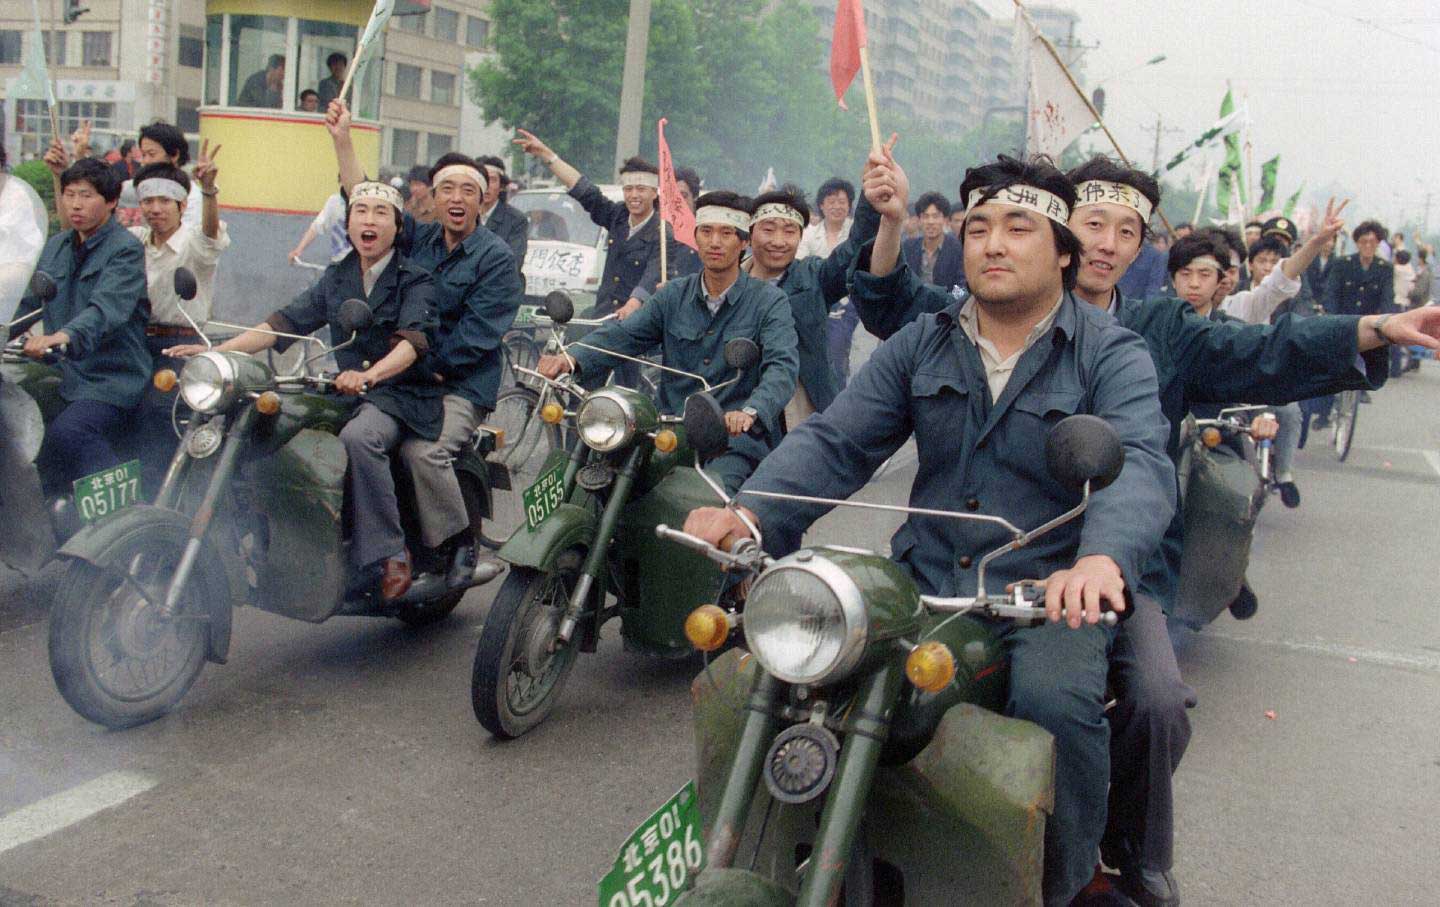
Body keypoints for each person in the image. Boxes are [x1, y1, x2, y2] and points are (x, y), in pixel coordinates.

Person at [848, 149, 1440, 907]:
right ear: (1065, 232)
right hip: (972, 560)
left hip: (1116, 564)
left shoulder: (1160, 329)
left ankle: (1126, 847)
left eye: (1126, 231)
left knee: (1156, 695)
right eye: (1093, 222)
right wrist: (890, 222)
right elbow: (886, 315)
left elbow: (1265, 351)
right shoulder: (975, 311)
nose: (1106, 242)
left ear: (1137, 247)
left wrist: (1375, 328)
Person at [686, 154, 1178, 907]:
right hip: (919, 579)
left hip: (1041, 591)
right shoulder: (925, 340)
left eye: (1019, 227)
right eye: (978, 227)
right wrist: (748, 511)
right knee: (789, 663)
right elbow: (837, 439)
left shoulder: (1112, 353)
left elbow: (1139, 460)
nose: (992, 243)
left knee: (1055, 700)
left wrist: (1100, 559)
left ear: (1063, 253)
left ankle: (1067, 876)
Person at [167, 181, 441, 601]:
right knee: (264, 419)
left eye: (380, 213)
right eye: (360, 211)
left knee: (360, 438)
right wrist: (215, 351)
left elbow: (411, 345)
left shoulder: (415, 279)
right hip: (345, 391)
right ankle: (261, 525)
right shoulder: (339, 276)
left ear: (398, 226)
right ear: (348, 223)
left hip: (400, 394)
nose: (369, 220)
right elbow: (282, 324)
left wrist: (370, 376)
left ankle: (391, 552)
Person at [325, 99, 521, 581]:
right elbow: (368, 201)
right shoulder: (420, 238)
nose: (457, 198)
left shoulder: (495, 258)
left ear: (484, 199)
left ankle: (461, 545)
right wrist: (343, 140)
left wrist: (417, 363)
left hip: (457, 382)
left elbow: (478, 337)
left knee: (423, 453)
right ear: (431, 197)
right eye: (446, 188)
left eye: (468, 190)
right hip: (407, 376)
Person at [536, 191, 798, 494]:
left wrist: (750, 412)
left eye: (726, 234)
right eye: (707, 232)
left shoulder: (769, 301)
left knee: (705, 498)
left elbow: (782, 368)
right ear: (695, 237)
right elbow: (624, 335)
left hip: (732, 442)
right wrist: (570, 359)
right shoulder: (673, 294)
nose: (715, 242)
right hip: (670, 431)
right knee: (606, 483)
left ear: (743, 242)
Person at [10, 157, 150, 496]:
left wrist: (63, 335)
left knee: (70, 432)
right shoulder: (57, 246)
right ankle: (45, 512)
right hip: (64, 373)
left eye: (86, 195)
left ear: (111, 201)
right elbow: (25, 302)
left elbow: (106, 309)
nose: (75, 204)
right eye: (70, 194)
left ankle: (124, 515)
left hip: (111, 378)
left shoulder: (125, 250)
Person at [741, 178, 880, 427]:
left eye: (790, 231)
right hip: (739, 410)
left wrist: (870, 201)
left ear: (800, 236)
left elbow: (855, 250)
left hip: (800, 410)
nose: (778, 241)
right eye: (769, 229)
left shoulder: (813, 278)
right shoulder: (731, 284)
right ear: (750, 234)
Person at [1323, 220, 1397, 379]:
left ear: (1378, 243)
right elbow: (1331, 293)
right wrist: (1331, 318)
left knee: (1369, 362)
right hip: (1342, 321)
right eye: (1364, 241)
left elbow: (1387, 298)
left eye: (1373, 242)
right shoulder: (1342, 264)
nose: (1368, 246)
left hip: (1369, 324)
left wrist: (1385, 321)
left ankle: (1363, 386)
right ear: (1357, 243)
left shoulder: (1385, 268)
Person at [901, 191, 964, 292]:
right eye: (925, 216)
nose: (930, 222)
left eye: (935, 216)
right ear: (919, 220)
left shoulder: (958, 249)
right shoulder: (908, 247)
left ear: (945, 220)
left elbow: (962, 284)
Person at [475, 155, 529, 270]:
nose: (487, 185)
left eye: (492, 180)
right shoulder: (463, 216)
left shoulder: (516, 220)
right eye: (482, 179)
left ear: (501, 186)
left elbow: (513, 262)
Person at [289, 178, 351, 265]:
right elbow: (316, 227)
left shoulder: (363, 203)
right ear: (340, 182)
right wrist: (298, 250)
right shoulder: (334, 201)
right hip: (339, 261)